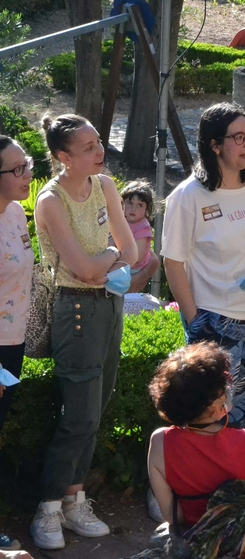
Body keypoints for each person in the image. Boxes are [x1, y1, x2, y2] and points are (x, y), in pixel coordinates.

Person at [31, 114, 138, 550]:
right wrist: (107, 261)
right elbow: (80, 268)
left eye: (99, 143)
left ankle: (75, 501)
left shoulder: (106, 186)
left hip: (109, 304)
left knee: (98, 406)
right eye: (90, 147)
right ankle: (48, 508)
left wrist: (106, 261)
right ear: (63, 157)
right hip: (73, 309)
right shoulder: (51, 201)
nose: (101, 152)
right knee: (78, 415)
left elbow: (130, 249)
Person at [161, 103, 245, 430]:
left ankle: (239, 476)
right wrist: (196, 323)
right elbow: (173, 262)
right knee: (213, 413)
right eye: (239, 137)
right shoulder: (187, 197)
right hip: (217, 322)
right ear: (215, 146)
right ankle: (211, 477)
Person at [147, 342, 245, 534]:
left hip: (202, 545)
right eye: (224, 385)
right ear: (215, 408)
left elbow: (173, 516)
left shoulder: (160, 442)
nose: (228, 386)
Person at [0, 135, 35, 555]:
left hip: (13, 342)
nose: (27, 174)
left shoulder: (14, 213)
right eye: (16, 169)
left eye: (25, 164)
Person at [120, 180, 161, 293]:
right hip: (123, 265)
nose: (133, 209)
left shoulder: (142, 226)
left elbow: (137, 257)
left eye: (140, 205)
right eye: (130, 203)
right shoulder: (120, 220)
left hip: (133, 270)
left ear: (146, 210)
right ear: (122, 203)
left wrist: (114, 256)